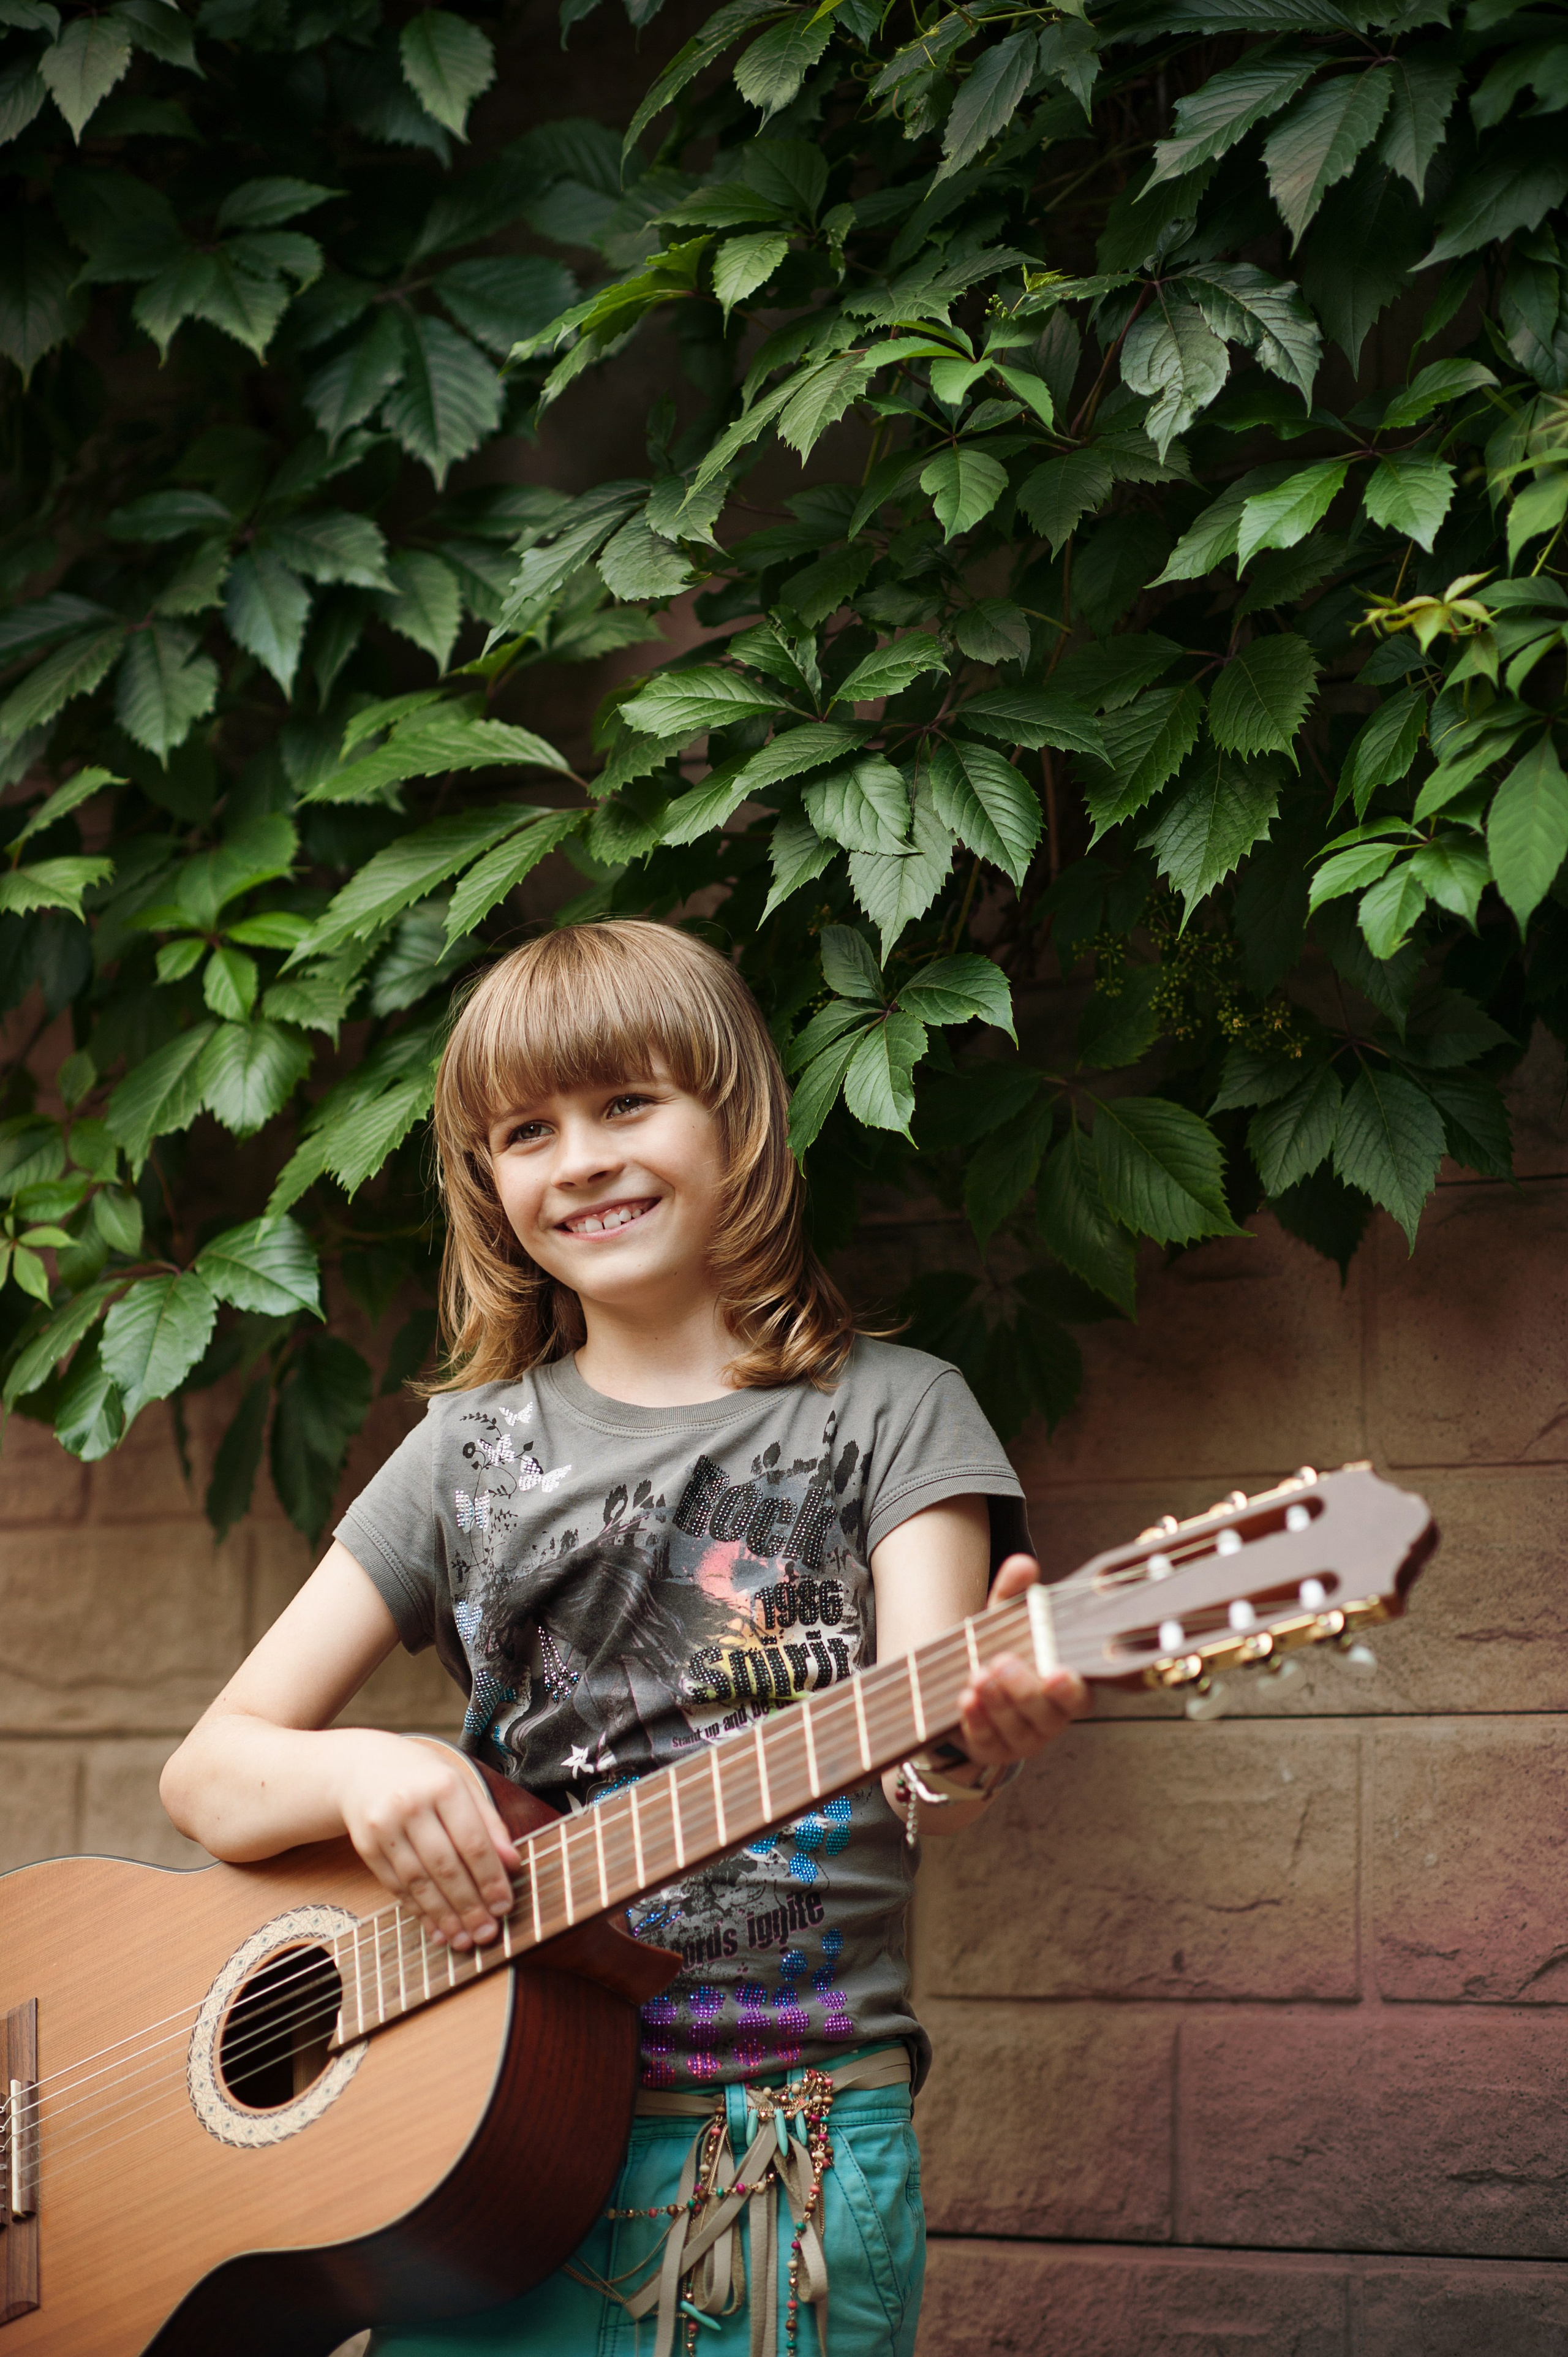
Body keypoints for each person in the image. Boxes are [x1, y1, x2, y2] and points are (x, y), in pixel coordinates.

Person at [161, 918, 1088, 2357]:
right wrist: (363, 1771)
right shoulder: (463, 1450)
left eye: (626, 1103)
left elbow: (927, 1772)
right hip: (458, 2150)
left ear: (738, 1121)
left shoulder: (897, 1415)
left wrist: (970, 1748)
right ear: (487, 1182)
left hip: (771, 2156)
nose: (581, 1159)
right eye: (527, 1131)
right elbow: (209, 1772)